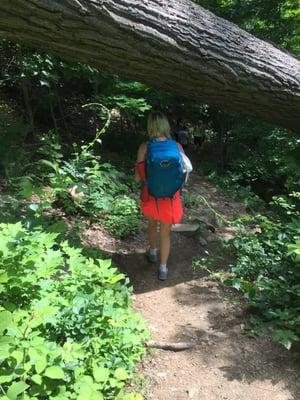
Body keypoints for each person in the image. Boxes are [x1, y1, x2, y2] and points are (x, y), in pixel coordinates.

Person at [135, 111, 184, 281]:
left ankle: (153, 252)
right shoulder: (177, 147)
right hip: (171, 198)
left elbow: (138, 176)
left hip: (151, 197)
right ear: (166, 126)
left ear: (150, 127)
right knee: (166, 233)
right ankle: (163, 268)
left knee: (152, 224)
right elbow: (185, 173)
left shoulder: (145, 147)